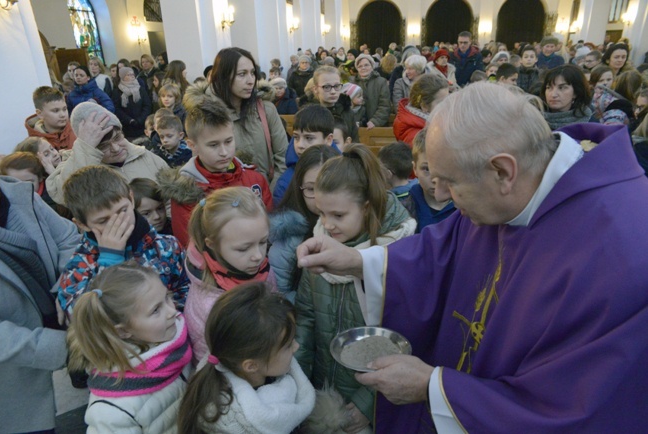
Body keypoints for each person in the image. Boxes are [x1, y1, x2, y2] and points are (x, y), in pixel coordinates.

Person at [296, 81, 648, 433]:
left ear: (502, 172)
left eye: (450, 181)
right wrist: (358, 261)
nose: (441, 194)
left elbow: (572, 408)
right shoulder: (513, 185)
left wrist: (435, 389)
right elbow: (443, 251)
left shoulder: (619, 253)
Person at [295, 143, 416, 433]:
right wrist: (299, 384)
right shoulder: (320, 245)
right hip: (324, 389)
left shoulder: (401, 253)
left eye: (338, 215)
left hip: (376, 398)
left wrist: (368, 404)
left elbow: (406, 338)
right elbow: (306, 319)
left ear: (366, 208)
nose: (327, 225)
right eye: (322, 213)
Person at [0, 175, 81, 433]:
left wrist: (66, 291)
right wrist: (68, 349)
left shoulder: (19, 194)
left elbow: (68, 237)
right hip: (12, 387)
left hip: (65, 331)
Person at [66, 262, 192, 432]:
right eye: (156, 310)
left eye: (167, 297)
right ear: (123, 331)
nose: (172, 311)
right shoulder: (111, 412)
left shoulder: (176, 341)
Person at [178, 282, 314, 434]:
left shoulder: (235, 360)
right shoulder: (229, 422)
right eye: (288, 345)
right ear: (251, 366)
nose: (296, 347)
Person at [57, 165, 189, 317]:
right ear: (82, 224)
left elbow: (185, 287)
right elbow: (81, 317)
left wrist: (173, 314)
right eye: (103, 221)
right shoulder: (80, 264)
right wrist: (109, 263)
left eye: (122, 211)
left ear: (131, 199)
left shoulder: (167, 245)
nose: (119, 223)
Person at [157, 98, 272, 247]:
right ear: (192, 145)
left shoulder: (255, 180)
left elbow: (269, 227)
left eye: (228, 141)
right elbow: (191, 244)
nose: (224, 152)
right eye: (213, 145)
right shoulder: (185, 193)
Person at [183, 187, 273, 363]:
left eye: (263, 242)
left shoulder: (257, 268)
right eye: (243, 248)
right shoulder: (212, 306)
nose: (258, 256)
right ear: (212, 244)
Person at [184, 47, 288, 184]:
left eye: (252, 73)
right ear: (223, 77)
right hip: (227, 198)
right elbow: (203, 169)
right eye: (242, 74)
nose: (251, 80)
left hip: (268, 193)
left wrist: (271, 195)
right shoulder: (204, 115)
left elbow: (283, 157)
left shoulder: (265, 109)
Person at [45, 102, 169, 205]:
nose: (115, 148)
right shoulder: (76, 161)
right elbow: (63, 196)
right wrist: (84, 147)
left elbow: (170, 199)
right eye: (103, 147)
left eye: (117, 138)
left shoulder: (145, 156)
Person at [269, 145, 339, 302]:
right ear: (298, 188)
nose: (320, 197)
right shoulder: (288, 238)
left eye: (328, 187)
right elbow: (279, 295)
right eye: (311, 189)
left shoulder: (353, 225)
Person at [273, 104, 340, 206]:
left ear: (328, 139)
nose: (300, 145)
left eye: (309, 138)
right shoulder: (286, 182)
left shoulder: (345, 172)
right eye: (296, 137)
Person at [403, 128, 455, 232]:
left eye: (442, 168)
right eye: (426, 169)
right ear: (414, 169)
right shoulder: (404, 211)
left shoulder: (466, 209)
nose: (434, 178)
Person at [300, 65, 359, 142]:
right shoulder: (307, 114)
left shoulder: (347, 111)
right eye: (327, 87)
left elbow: (354, 142)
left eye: (337, 86)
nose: (333, 91)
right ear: (315, 89)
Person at [393, 74, 449, 146]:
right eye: (441, 103)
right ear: (424, 106)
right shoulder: (415, 137)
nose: (447, 106)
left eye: (448, 101)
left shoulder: (432, 124)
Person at [541, 64, 593, 130]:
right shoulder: (534, 119)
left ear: (576, 92)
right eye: (549, 87)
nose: (553, 94)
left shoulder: (590, 122)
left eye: (561, 88)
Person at [25, 86, 77, 150]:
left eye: (64, 109)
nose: (63, 115)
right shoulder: (32, 145)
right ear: (40, 114)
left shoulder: (77, 130)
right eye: (56, 111)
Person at [112, 66, 152, 139]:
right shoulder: (117, 91)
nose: (132, 76)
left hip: (142, 126)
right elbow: (117, 109)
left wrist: (140, 119)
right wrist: (129, 120)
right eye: (128, 75)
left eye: (132, 74)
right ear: (123, 77)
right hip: (127, 128)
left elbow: (147, 105)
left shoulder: (140, 89)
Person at [352, 54, 391, 128]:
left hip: (376, 126)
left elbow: (384, 106)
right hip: (356, 126)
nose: (363, 68)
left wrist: (375, 121)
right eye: (360, 66)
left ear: (372, 66)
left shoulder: (381, 82)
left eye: (366, 65)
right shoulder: (353, 83)